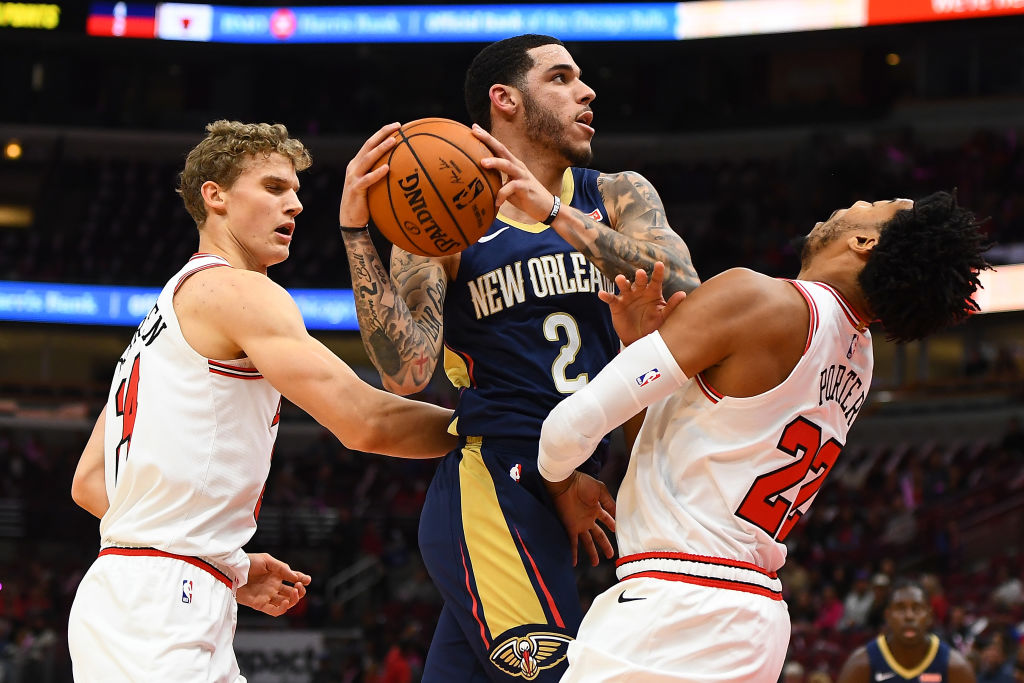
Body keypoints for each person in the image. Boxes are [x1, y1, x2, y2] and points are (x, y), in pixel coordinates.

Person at [338, 34, 699, 682]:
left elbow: (689, 294)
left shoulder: (613, 193)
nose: (586, 92)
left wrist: (556, 214)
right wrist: (358, 236)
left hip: (580, 484)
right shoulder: (439, 221)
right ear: (504, 100)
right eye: (561, 78)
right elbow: (408, 371)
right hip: (496, 481)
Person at [536, 192, 989, 681]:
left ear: (863, 241)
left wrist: (560, 484)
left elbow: (566, 428)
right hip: (751, 617)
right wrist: (637, 346)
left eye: (874, 204)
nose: (857, 201)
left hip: (677, 607)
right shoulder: (857, 357)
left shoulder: (758, 299)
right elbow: (666, 445)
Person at [67, 120, 458, 682]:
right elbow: (366, 421)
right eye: (275, 188)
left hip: (141, 592)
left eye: (296, 192)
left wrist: (222, 561)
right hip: (159, 606)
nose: (295, 205)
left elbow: (90, 484)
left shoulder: (162, 315)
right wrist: (490, 430)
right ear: (215, 196)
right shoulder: (239, 291)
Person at [836, 580, 976, 683]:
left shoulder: (955, 667)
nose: (909, 616)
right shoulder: (861, 665)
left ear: (929, 616)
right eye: (900, 608)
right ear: (888, 616)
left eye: (917, 608)